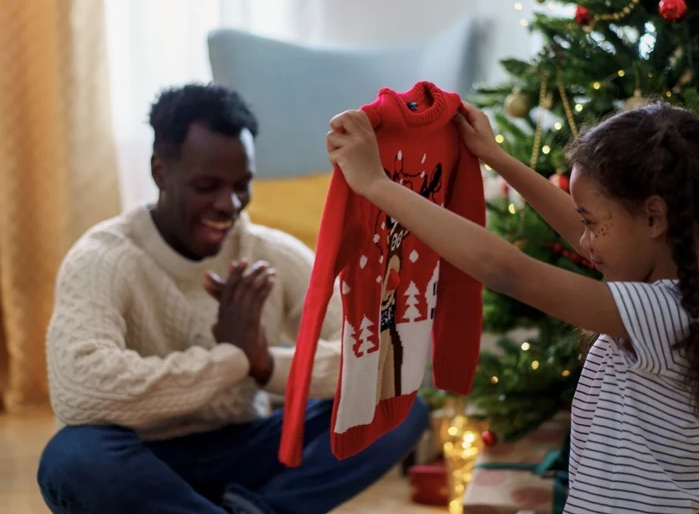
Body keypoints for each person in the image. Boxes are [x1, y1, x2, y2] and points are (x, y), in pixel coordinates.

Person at [326, 101, 699, 513]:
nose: (584, 240)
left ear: (655, 218)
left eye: (591, 223)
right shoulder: (688, 293)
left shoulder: (666, 313)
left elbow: (505, 270)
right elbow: (592, 231)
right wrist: (496, 158)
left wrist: (376, 185)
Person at [37, 83, 428, 514]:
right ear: (160, 171)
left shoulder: (270, 254)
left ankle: (254, 510)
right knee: (72, 458)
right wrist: (233, 359)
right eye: (207, 185)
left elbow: (377, 364)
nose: (230, 204)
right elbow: (80, 389)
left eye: (242, 185)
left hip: (245, 449)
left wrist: (264, 361)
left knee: (399, 406)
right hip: (141, 459)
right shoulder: (103, 258)